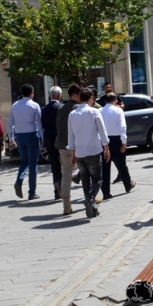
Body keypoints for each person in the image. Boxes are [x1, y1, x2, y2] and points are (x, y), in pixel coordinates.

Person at [67, 88, 110, 219]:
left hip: (80, 152)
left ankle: (91, 208)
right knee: (97, 179)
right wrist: (106, 147)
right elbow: (102, 131)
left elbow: (71, 135)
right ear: (91, 97)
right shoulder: (94, 112)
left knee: (85, 180)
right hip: (93, 151)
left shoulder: (72, 114)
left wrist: (72, 153)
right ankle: (90, 199)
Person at [8, 84, 44, 200]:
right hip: (32, 135)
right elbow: (39, 124)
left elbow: (10, 123)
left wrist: (11, 138)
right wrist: (43, 139)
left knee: (24, 161)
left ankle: (19, 180)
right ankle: (32, 192)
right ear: (32, 93)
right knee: (33, 163)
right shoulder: (34, 105)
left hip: (19, 136)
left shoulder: (15, 105)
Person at [101, 93, 134, 196]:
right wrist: (124, 142)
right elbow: (122, 127)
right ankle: (127, 184)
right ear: (115, 101)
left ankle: (106, 191)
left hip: (104, 140)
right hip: (116, 139)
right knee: (121, 164)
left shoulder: (99, 111)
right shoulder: (118, 110)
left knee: (105, 167)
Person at [55, 84, 80, 216]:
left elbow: (57, 125)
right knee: (86, 171)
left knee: (66, 174)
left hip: (62, 144)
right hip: (76, 145)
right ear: (75, 95)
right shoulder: (77, 108)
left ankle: (66, 205)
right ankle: (90, 198)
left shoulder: (61, 107)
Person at [41, 86, 63, 199]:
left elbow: (43, 126)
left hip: (49, 140)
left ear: (50, 96)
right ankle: (62, 187)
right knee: (64, 164)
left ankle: (56, 187)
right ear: (59, 96)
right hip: (60, 140)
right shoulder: (61, 107)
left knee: (54, 165)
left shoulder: (44, 109)